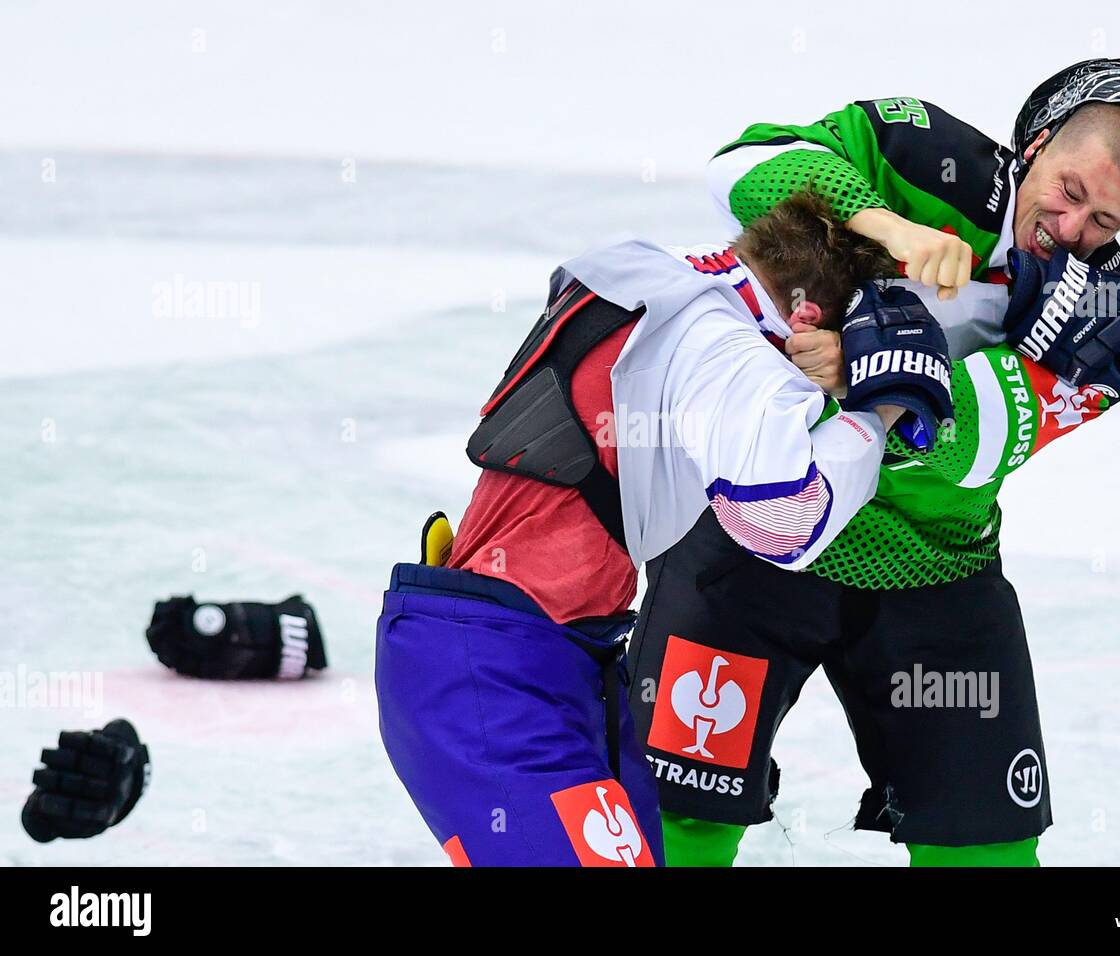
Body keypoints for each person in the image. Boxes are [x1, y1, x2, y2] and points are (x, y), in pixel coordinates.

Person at [628, 57, 1120, 866]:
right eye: (1069, 191)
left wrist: (855, 373)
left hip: (931, 572)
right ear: (1033, 146)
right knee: (673, 827)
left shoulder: (1110, 316)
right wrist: (887, 227)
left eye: (1106, 222)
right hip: (748, 543)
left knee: (988, 853)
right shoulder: (919, 158)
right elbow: (742, 170)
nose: (1070, 231)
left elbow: (970, 448)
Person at [374, 191, 957, 866]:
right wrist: (880, 408)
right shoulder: (730, 351)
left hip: (540, 654)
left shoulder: (638, 269)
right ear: (808, 316)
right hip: (495, 671)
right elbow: (782, 525)